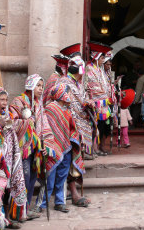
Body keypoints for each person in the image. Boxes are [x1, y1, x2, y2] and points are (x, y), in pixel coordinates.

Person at [9, 75, 55, 218]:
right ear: (30, 85)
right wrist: (27, 123)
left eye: (42, 86)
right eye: (38, 86)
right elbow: (11, 123)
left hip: (35, 149)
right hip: (22, 149)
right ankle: (16, 212)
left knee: (32, 178)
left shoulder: (38, 105)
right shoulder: (18, 101)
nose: (41, 89)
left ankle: (26, 209)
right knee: (22, 177)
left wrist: (44, 145)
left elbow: (44, 125)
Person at [37, 83, 84, 213]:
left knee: (62, 177)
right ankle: (42, 203)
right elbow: (46, 128)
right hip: (52, 148)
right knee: (50, 176)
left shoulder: (67, 109)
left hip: (66, 146)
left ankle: (60, 201)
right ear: (61, 94)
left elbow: (71, 127)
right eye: (67, 93)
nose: (69, 96)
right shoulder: (50, 108)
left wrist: (75, 138)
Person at [0, 84, 27, 228]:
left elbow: (12, 137)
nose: (5, 103)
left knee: (8, 190)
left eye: (6, 99)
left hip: (7, 160)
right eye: (1, 99)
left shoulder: (6, 116)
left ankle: (7, 218)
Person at [56, 53, 91, 207]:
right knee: (70, 159)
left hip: (80, 125)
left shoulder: (78, 83)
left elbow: (81, 101)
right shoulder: (65, 82)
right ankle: (72, 192)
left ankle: (71, 191)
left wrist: (88, 104)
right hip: (68, 127)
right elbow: (62, 104)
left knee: (75, 158)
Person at [84, 42, 113, 156]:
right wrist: (105, 96)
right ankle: (93, 148)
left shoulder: (100, 69)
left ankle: (99, 147)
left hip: (103, 104)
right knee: (94, 126)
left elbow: (105, 84)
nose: (103, 60)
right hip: (95, 103)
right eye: (102, 58)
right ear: (96, 57)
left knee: (102, 126)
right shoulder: (89, 68)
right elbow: (92, 86)